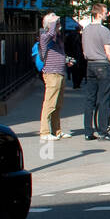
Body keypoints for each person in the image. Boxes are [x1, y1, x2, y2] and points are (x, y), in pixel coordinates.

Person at [80, 3, 110, 141]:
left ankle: (88, 131)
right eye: (105, 12)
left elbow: (84, 51)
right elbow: (108, 52)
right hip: (103, 66)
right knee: (104, 99)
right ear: (98, 14)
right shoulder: (104, 31)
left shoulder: (85, 30)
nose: (107, 14)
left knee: (89, 99)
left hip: (90, 65)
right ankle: (103, 131)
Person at [38, 13, 70, 141]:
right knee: (49, 104)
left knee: (58, 104)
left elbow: (60, 53)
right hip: (51, 74)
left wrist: (66, 60)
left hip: (60, 72)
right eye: (57, 23)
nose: (59, 25)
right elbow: (50, 34)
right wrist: (52, 21)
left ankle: (56, 130)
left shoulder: (57, 38)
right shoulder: (45, 37)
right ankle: (44, 132)